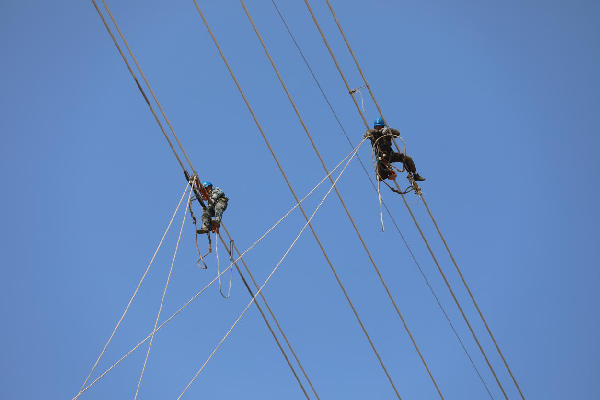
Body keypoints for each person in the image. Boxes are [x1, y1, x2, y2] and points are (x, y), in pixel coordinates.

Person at [364, 117, 426, 182]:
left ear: (383, 126)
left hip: (391, 155)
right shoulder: (374, 134)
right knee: (380, 178)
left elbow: (397, 133)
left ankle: (415, 175)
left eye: (380, 126)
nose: (379, 128)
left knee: (407, 159)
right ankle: (387, 173)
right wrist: (370, 134)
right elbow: (368, 132)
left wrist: (388, 130)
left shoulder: (386, 133)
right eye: (377, 127)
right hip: (381, 158)